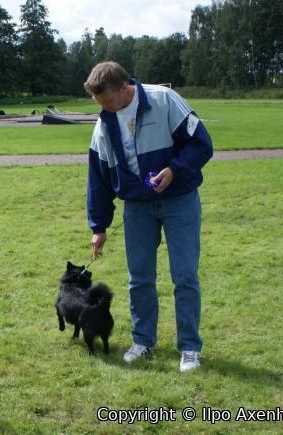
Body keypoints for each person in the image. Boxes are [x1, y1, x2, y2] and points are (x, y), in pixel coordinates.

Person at [84, 62, 213, 372]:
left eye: (108, 100)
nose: (104, 108)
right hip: (137, 208)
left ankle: (189, 348)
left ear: (125, 87)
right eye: (99, 103)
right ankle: (143, 341)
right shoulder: (104, 123)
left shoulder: (164, 100)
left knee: (184, 276)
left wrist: (175, 170)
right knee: (139, 278)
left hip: (180, 201)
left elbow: (201, 144)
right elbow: (98, 177)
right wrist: (98, 226)